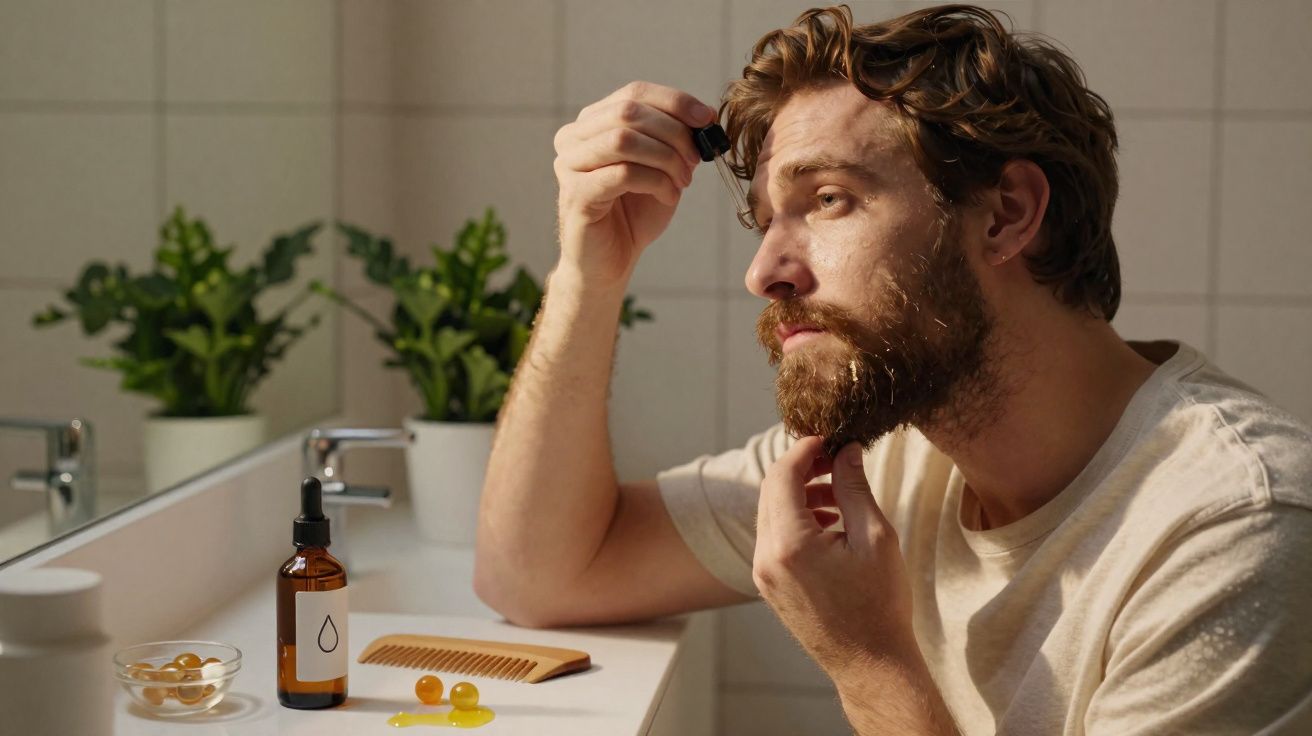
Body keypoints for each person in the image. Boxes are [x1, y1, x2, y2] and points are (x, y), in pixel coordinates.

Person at [473, 4, 1312, 734]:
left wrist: (869, 664)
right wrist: (590, 274)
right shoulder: (896, 451)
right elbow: (537, 576)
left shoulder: (1234, 529)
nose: (764, 273)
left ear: (1007, 213)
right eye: (765, 222)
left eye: (828, 199)